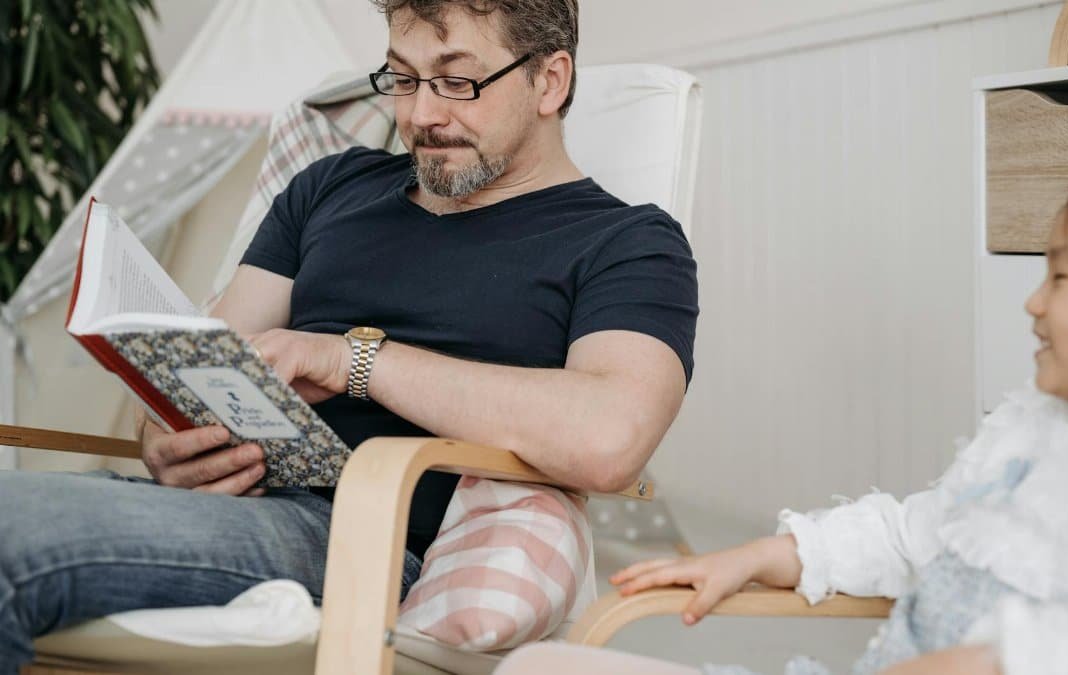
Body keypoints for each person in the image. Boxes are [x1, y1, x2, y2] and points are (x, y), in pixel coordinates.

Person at [0, 1, 698, 671]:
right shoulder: (330, 187)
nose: (420, 114)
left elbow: (611, 436)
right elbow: (208, 361)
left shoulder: (627, 242)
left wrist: (350, 360)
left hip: (368, 535)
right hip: (226, 508)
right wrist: (169, 439)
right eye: (402, 77)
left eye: (457, 80)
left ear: (551, 79)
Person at [497, 164, 1068, 674]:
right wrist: (760, 556)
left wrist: (984, 662)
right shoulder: (1029, 431)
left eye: (1063, 277)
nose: (1034, 303)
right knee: (536, 667)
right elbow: (911, 535)